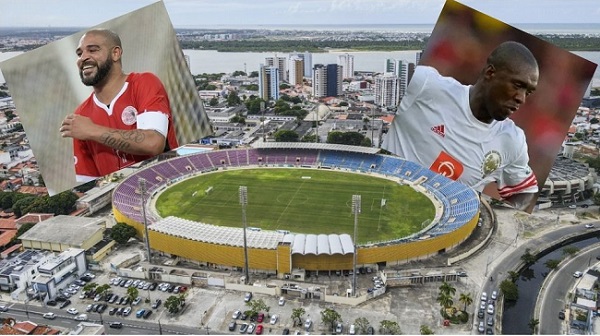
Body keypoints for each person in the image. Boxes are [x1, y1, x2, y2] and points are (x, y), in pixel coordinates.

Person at [383, 41, 539, 211]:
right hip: (386, 203)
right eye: (517, 85)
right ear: (490, 72)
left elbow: (525, 191)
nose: (521, 99)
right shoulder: (425, 86)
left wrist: (503, 214)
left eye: (528, 92)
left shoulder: (512, 140)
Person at [60, 28, 179, 183]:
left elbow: (153, 143)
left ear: (115, 53)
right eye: (79, 53)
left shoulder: (144, 83)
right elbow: (89, 181)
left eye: (93, 50)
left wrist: (92, 130)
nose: (83, 58)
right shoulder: (81, 115)